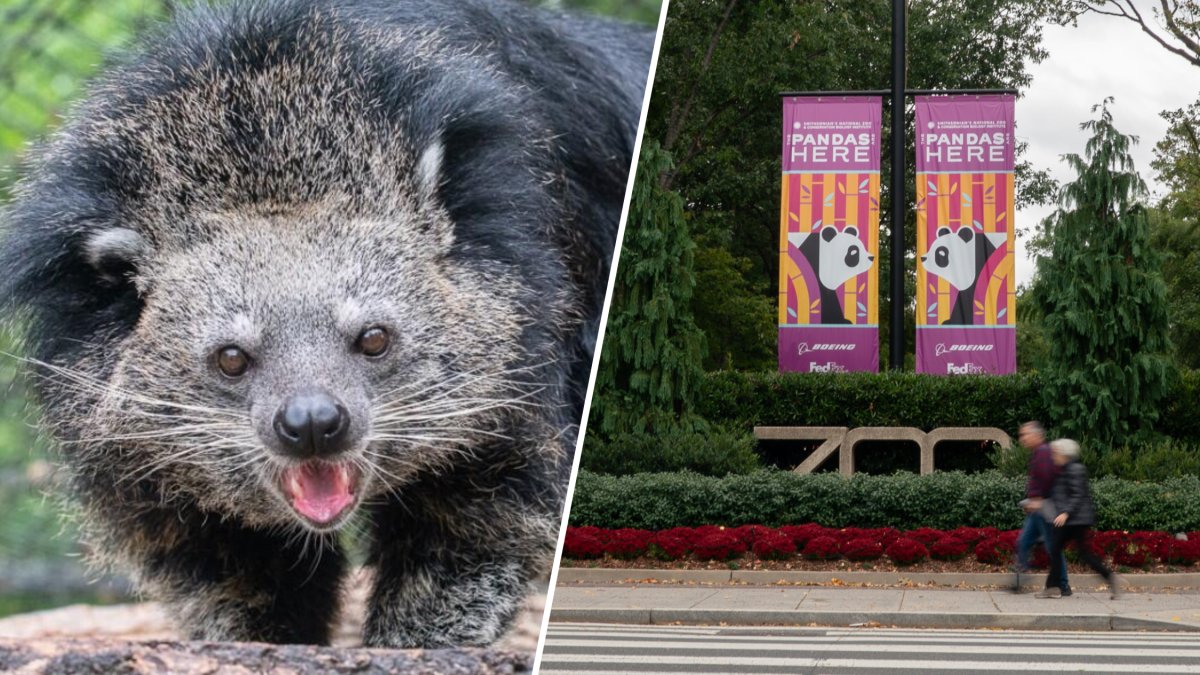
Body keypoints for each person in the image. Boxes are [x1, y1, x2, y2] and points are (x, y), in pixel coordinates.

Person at [1037, 439, 1120, 599]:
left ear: (1064, 454)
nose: (1053, 455)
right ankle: (1054, 587)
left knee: (1064, 551)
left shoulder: (1075, 469)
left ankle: (1054, 588)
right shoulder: (1063, 469)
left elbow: (1078, 494)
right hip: (1071, 518)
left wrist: (1065, 513)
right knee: (1066, 551)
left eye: (1055, 452)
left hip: (1075, 519)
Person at [1012, 421, 1069, 594]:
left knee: (1052, 547)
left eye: (1025, 434)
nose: (1022, 438)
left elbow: (1046, 477)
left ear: (1037, 435)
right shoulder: (1039, 452)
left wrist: (1037, 498)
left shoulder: (1043, 452)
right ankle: (1019, 579)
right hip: (1037, 509)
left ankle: (1063, 584)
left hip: (1044, 508)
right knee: (1024, 542)